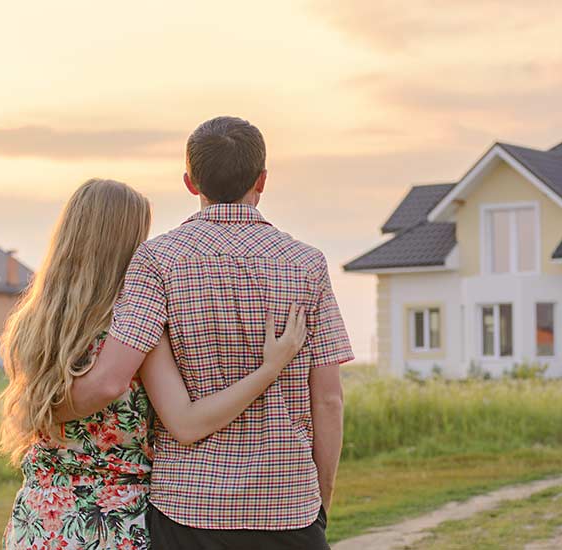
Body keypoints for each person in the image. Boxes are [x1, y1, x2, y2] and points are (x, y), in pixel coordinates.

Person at [58, 116, 354, 549]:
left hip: (187, 511)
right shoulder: (307, 265)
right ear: (262, 180)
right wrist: (320, 501)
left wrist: (39, 411)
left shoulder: (157, 261)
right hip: (288, 505)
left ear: (191, 182)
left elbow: (111, 377)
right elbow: (328, 400)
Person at [0, 178, 309, 549]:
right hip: (113, 523)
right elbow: (188, 422)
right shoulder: (134, 327)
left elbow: (42, 409)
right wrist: (269, 369)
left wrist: (44, 409)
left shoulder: (31, 324)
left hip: (37, 519)